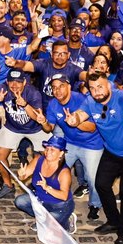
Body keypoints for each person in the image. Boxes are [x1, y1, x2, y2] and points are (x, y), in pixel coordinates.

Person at [64, 72, 123, 244]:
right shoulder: (90, 101)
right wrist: (74, 119)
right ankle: (113, 221)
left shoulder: (121, 96)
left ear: (109, 85)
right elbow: (81, 114)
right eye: (93, 88)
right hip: (112, 151)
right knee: (101, 184)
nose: (96, 92)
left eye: (100, 87)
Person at [37, 73, 104, 222]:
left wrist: (76, 122)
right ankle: (51, 198)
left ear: (68, 86)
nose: (57, 90)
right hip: (70, 143)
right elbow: (49, 128)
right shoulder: (53, 104)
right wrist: (43, 122)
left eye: (61, 86)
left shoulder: (83, 101)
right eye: (54, 88)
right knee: (54, 168)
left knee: (92, 178)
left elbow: (92, 128)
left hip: (91, 144)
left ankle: (95, 204)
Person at [0, 70, 47, 199]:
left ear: (25, 83)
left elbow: (36, 117)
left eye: (19, 82)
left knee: (47, 155)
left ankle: (40, 185)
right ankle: (8, 185)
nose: (15, 85)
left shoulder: (33, 93)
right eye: (12, 81)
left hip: (35, 129)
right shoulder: (3, 89)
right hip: (13, 127)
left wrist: (25, 105)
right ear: (7, 81)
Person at [14, 135, 77, 233]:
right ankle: (43, 219)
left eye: (53, 150)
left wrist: (47, 187)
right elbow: (23, 176)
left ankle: (66, 221)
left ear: (61, 153)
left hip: (59, 206)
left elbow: (64, 196)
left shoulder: (64, 172)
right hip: (40, 200)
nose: (48, 152)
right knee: (20, 201)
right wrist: (21, 175)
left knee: (53, 229)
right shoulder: (38, 159)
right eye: (47, 148)